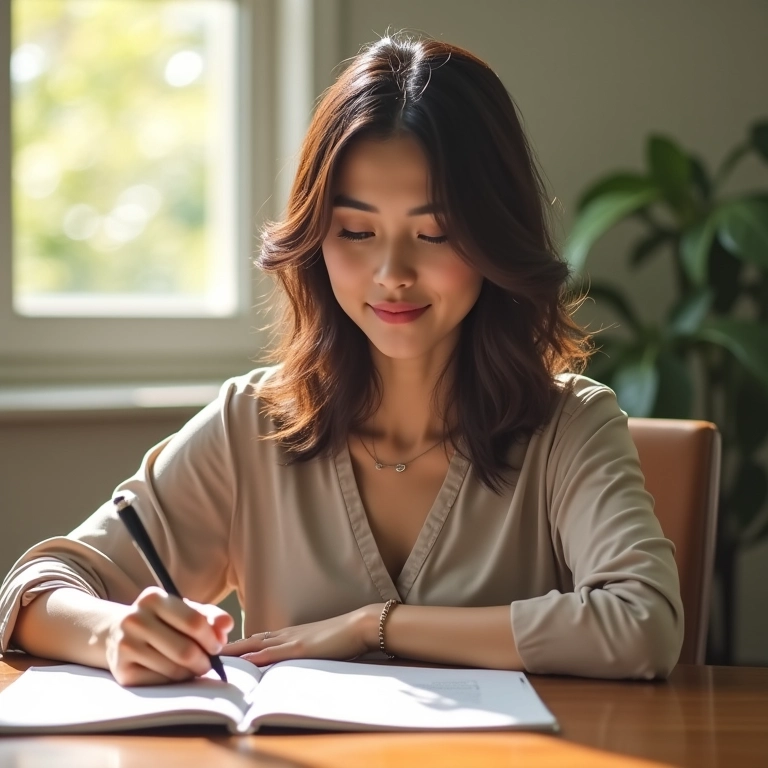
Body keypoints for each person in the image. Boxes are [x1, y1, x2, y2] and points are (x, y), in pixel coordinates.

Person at [0, 33, 683, 685]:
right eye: (356, 231)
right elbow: (35, 591)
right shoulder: (253, 424)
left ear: (494, 238)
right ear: (316, 239)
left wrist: (375, 627)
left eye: (435, 232)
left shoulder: (571, 426)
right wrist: (115, 634)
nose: (392, 273)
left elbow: (642, 623)